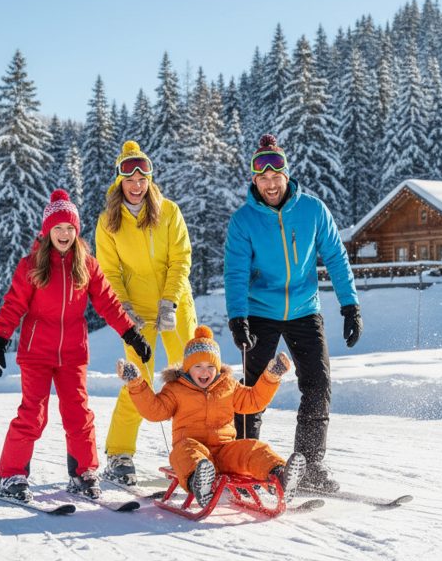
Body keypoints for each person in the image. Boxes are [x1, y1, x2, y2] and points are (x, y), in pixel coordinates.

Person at [0, 189, 152, 502]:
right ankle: (11, 476)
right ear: (47, 231)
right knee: (33, 414)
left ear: (76, 231)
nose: (64, 234)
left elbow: (108, 303)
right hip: (36, 353)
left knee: (79, 414)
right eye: (58, 228)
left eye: (69, 228)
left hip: (73, 354)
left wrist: (131, 334)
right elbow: (13, 305)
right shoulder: (31, 265)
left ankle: (83, 473)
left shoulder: (86, 265)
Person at [223, 133, 364, 492]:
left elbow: (336, 257)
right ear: (254, 180)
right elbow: (235, 272)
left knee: (318, 383)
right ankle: (243, 463)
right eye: (263, 178)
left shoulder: (313, 210)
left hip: (304, 309)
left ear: (287, 175)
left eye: (276, 176)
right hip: (260, 311)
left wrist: (350, 305)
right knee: (251, 391)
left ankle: (310, 464)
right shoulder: (243, 221)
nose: (271, 184)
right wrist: (238, 317)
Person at [96, 140, 198, 485]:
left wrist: (170, 301)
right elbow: (109, 271)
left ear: (150, 180)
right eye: (130, 179)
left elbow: (180, 259)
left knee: (194, 376)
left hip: (175, 304)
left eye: (142, 179)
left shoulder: (168, 211)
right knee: (137, 377)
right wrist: (124, 307)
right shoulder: (108, 223)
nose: (137, 185)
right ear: (120, 181)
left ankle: (199, 449)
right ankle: (119, 453)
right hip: (137, 310)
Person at [116, 325, 306, 506]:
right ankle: (200, 483)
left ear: (217, 367)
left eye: (210, 366)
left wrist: (270, 378)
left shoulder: (228, 385)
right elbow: (155, 411)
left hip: (225, 450)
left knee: (252, 448)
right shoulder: (175, 389)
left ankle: (280, 476)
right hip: (191, 447)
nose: (205, 371)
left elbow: (253, 400)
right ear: (187, 367)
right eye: (198, 365)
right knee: (185, 454)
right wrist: (136, 384)